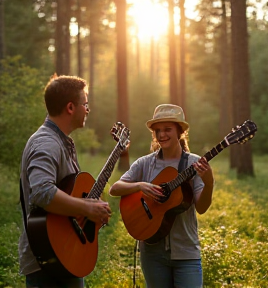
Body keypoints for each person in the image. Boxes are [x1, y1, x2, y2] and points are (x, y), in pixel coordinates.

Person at [19, 75, 111, 288]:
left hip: (65, 256)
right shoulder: (46, 143)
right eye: (85, 104)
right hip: (47, 265)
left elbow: (66, 196)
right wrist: (87, 208)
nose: (87, 110)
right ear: (71, 107)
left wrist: (93, 215)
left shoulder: (62, 142)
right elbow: (42, 192)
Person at [109, 104, 214, 288]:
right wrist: (140, 185)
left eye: (167, 129)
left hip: (186, 252)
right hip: (152, 254)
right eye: (158, 130)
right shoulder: (145, 163)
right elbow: (115, 188)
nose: (162, 135)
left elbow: (202, 207)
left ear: (180, 131)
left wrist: (209, 181)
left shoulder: (194, 164)